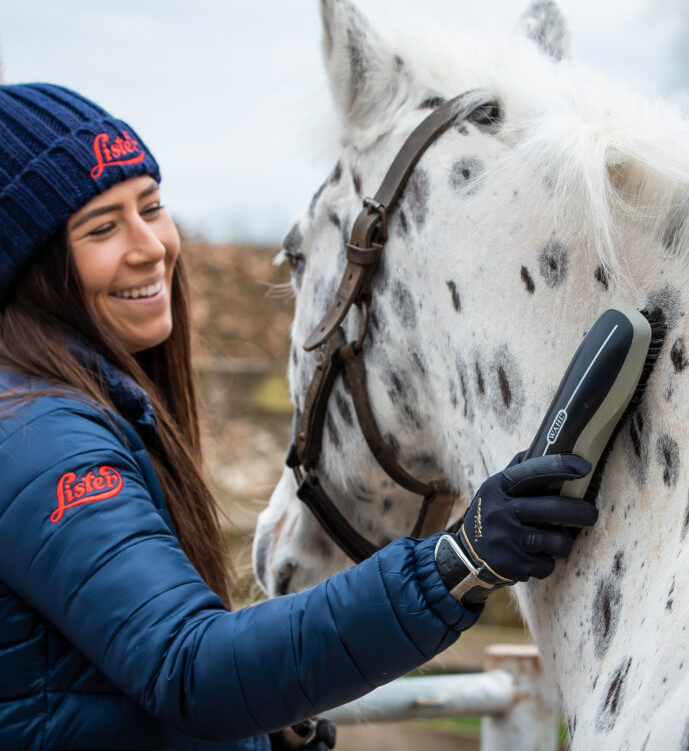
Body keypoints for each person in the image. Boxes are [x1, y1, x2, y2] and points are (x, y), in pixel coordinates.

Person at [0, 83, 599, 750]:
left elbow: (115, 685)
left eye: (151, 207)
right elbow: (191, 670)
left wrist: (263, 733)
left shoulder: (67, 411)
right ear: (30, 270)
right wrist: (458, 560)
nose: (151, 247)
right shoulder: (42, 439)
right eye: (102, 227)